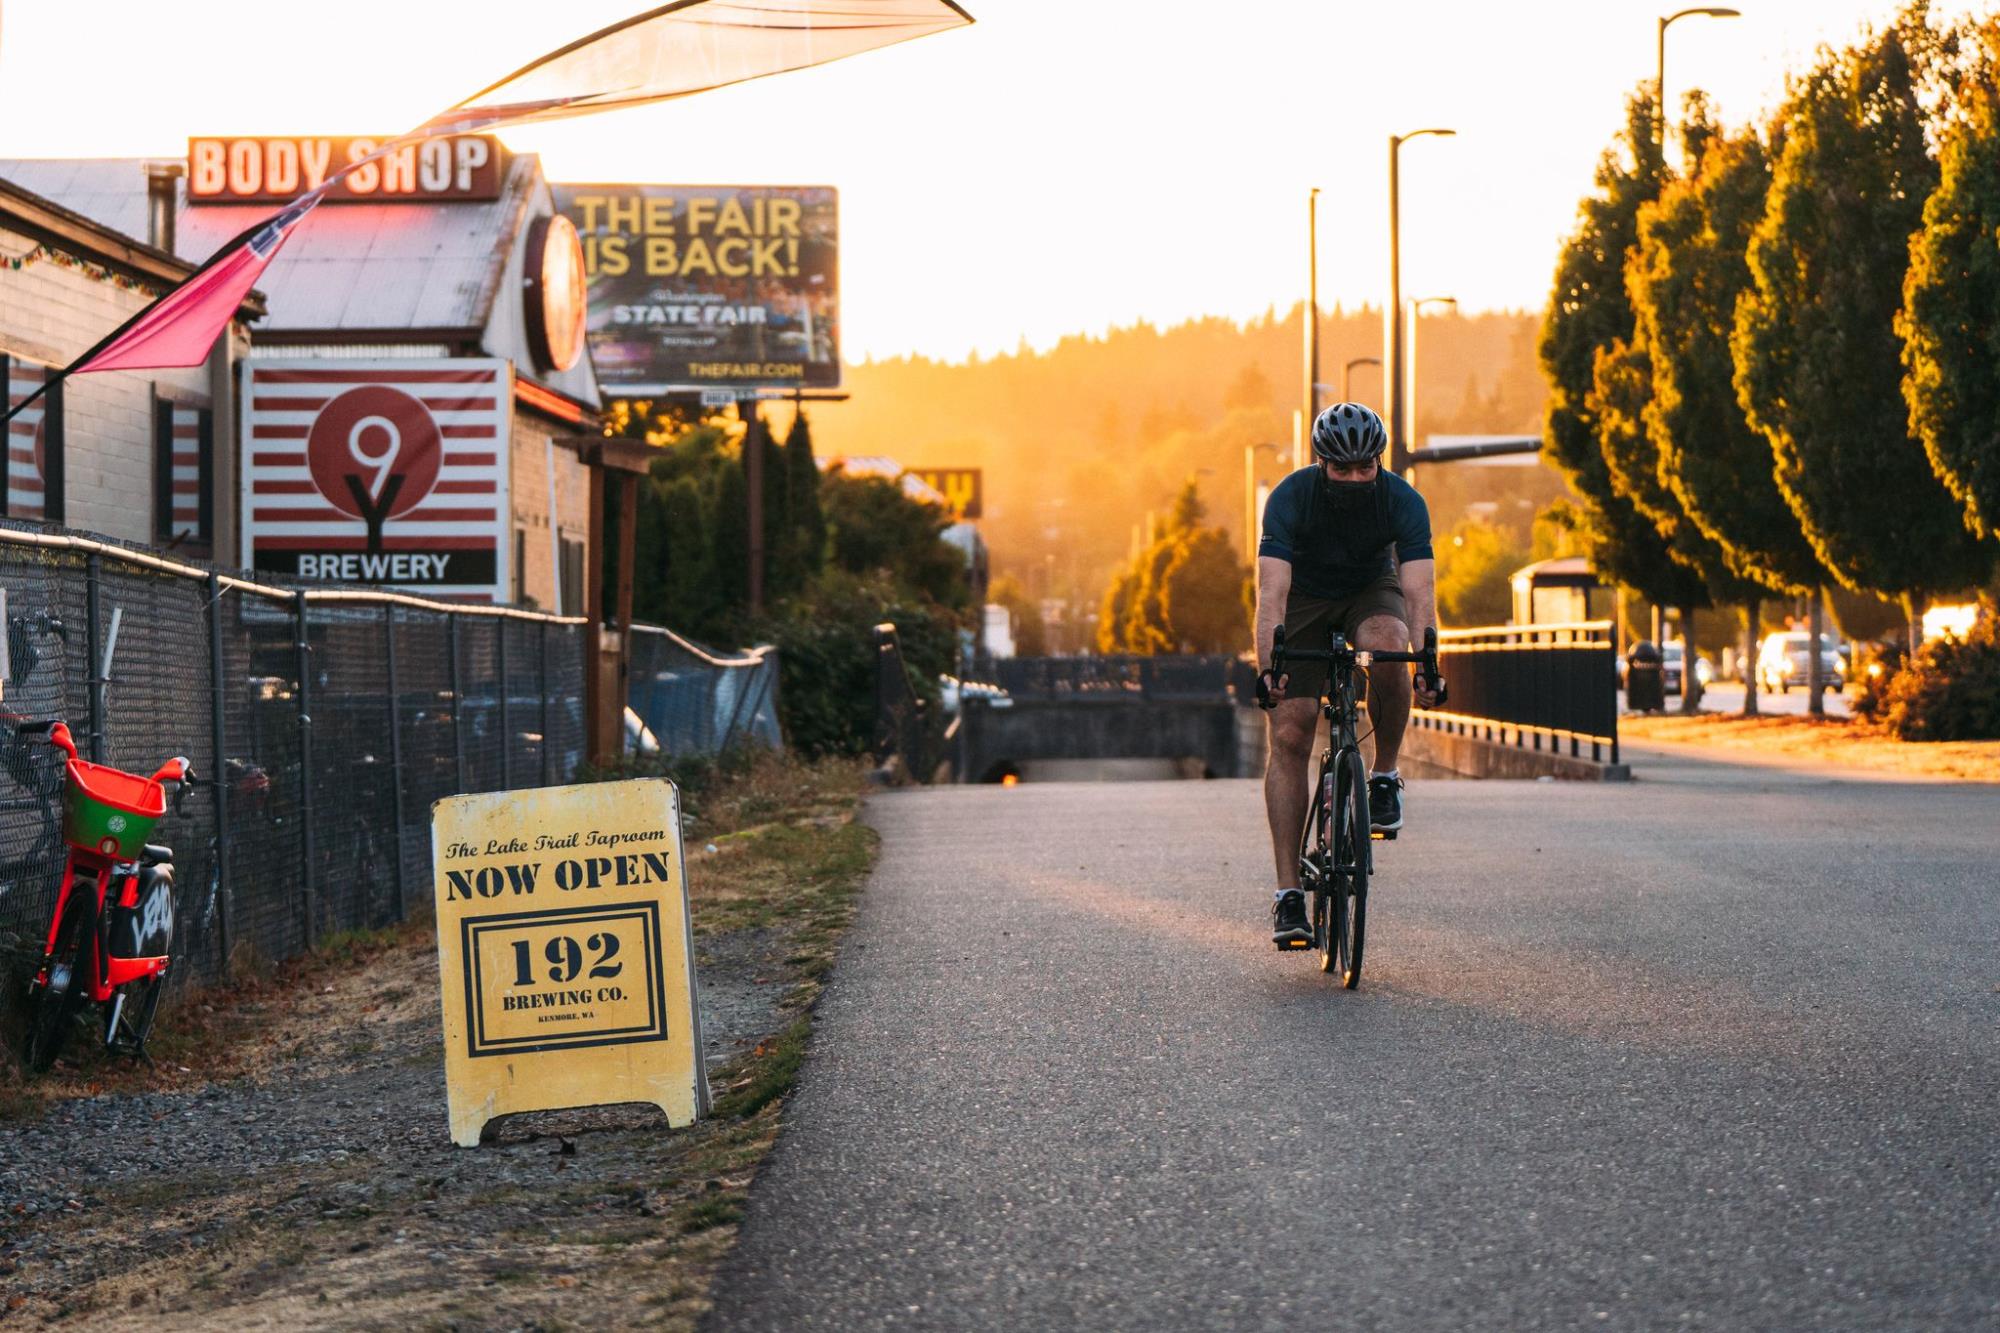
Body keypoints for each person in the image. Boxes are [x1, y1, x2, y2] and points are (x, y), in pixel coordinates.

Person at [1253, 403, 1443, 947]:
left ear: (1379, 463)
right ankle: (1289, 894)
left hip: (1369, 589)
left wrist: (1429, 662)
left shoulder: (1404, 501)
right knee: (1291, 729)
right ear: (1321, 463)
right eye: (1343, 469)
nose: (1357, 478)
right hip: (1304, 597)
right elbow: (1271, 595)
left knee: (1388, 645)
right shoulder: (1290, 498)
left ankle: (1383, 775)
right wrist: (1271, 668)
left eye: (1367, 468)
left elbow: (1419, 594)